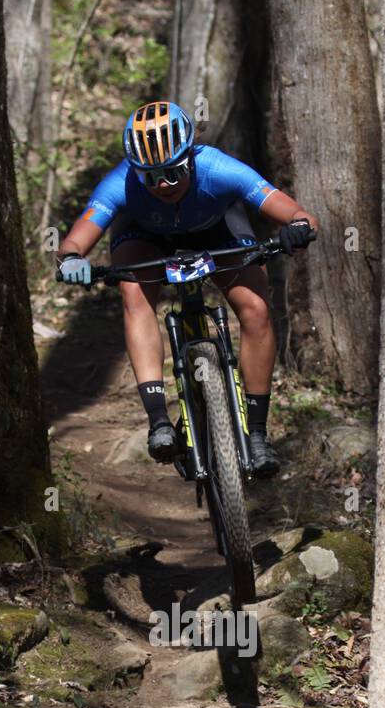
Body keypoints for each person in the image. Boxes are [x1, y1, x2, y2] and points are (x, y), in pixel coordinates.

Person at [56, 100, 318, 477]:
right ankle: (159, 421)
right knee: (133, 291)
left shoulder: (219, 168)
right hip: (145, 235)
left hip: (217, 229)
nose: (163, 184)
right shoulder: (121, 181)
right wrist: (71, 260)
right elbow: (76, 239)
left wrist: (298, 227)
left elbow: (298, 213)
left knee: (256, 307)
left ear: (191, 157)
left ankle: (258, 434)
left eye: (174, 173)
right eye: (151, 176)